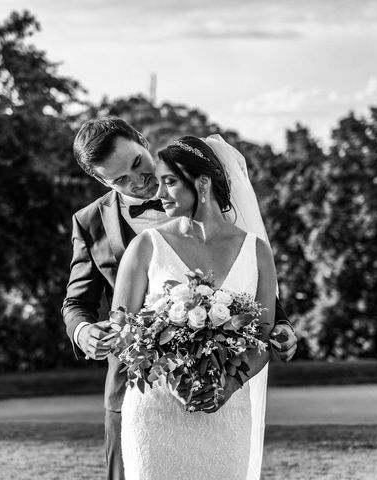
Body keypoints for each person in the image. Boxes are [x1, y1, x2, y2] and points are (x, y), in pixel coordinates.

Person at [61, 117, 296, 480]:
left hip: (223, 390)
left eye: (138, 163)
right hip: (136, 394)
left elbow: (246, 277)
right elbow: (77, 302)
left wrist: (279, 324)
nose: (139, 183)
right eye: (120, 180)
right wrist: (83, 332)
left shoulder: (204, 190)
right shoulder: (90, 222)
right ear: (100, 181)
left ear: (143, 140)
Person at [113, 136, 275, 479]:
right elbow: (121, 331)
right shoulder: (146, 246)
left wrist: (227, 387)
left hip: (227, 414)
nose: (159, 193)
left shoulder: (257, 252)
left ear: (202, 183)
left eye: (170, 181)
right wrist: (174, 377)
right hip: (156, 414)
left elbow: (263, 335)